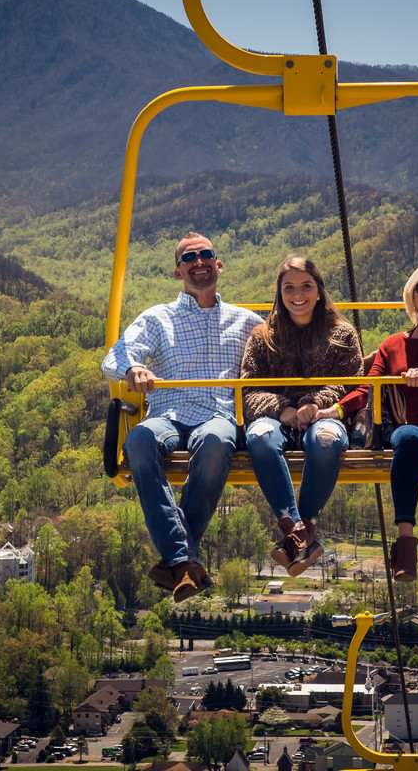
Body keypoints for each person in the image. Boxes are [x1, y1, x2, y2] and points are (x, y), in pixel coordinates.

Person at [102, 232, 262, 602]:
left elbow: (282, 352)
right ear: (178, 272)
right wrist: (133, 369)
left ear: (218, 264)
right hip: (169, 413)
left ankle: (177, 560)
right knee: (139, 440)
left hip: (218, 414)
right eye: (189, 258)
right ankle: (186, 560)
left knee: (215, 442)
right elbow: (116, 355)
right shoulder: (158, 318)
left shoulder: (247, 322)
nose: (198, 262)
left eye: (205, 254)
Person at [315, 260, 418, 586]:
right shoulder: (393, 345)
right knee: (407, 438)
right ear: (412, 294)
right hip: (414, 423)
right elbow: (369, 387)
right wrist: (338, 410)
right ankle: (404, 546)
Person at [241, 255, 363, 576]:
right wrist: (283, 409)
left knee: (326, 439)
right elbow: (249, 389)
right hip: (276, 417)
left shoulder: (342, 335)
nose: (298, 294)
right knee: (259, 437)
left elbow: (351, 383)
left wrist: (314, 403)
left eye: (306, 286)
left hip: (324, 416)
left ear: (319, 291)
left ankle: (297, 536)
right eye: (289, 287)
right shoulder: (262, 337)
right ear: (279, 293)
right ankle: (301, 534)